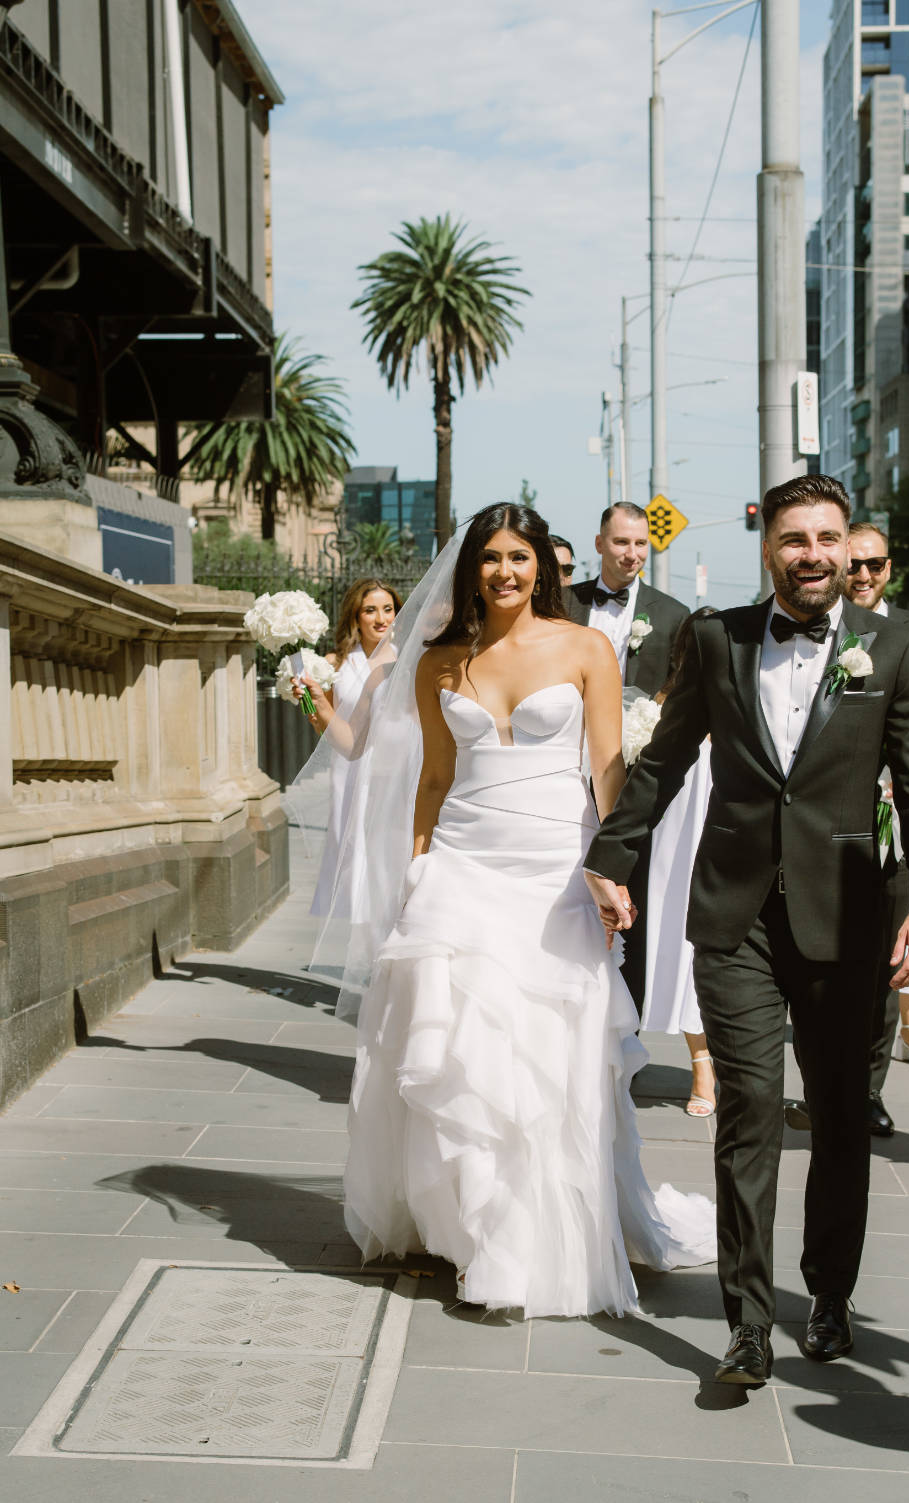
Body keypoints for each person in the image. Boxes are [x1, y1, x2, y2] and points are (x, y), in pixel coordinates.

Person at [583, 474, 909, 1386]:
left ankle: (828, 1296)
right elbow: (664, 760)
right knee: (748, 1112)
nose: (815, 555)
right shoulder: (717, 638)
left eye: (828, 538)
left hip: (849, 912)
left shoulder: (895, 645)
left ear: (845, 546)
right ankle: (747, 1321)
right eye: (797, 539)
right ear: (770, 549)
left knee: (835, 1117)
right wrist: (611, 860)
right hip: (735, 913)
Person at [303, 504, 715, 1317]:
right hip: (461, 860)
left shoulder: (586, 648)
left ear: (543, 566)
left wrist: (613, 869)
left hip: (554, 870)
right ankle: (468, 1228)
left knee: (546, 1052)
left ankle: (541, 1232)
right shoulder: (438, 662)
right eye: (490, 558)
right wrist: (418, 865)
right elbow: (432, 778)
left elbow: (607, 771)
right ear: (470, 570)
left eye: (519, 557)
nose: (504, 572)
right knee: (455, 1045)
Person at [785, 521, 909, 1134]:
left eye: (876, 565)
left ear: (889, 568)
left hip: (899, 830)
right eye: (856, 564)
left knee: (885, 971)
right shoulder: (811, 626)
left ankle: (867, 1091)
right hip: (828, 831)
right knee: (823, 971)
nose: (863, 575)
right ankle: (823, 1086)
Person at [565, 502, 688, 1005]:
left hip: (634, 774)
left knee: (629, 896)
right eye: (621, 542)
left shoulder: (672, 614)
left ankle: (625, 1017)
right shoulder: (560, 603)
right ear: (599, 544)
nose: (632, 553)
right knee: (568, 887)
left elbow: (679, 693)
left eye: (641, 543)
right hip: (563, 766)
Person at [641, 609, 717, 1117]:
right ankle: (702, 1066)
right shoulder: (660, 705)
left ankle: (725, 1061)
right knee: (683, 948)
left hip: (728, 838)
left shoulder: (751, 701)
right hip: (674, 842)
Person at [306, 579, 402, 917]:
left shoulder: (407, 658)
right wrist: (306, 698)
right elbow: (320, 721)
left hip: (395, 769)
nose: (381, 619)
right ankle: (362, 922)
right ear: (356, 616)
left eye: (388, 609)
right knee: (351, 845)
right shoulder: (336, 663)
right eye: (370, 610)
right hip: (349, 765)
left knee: (390, 850)